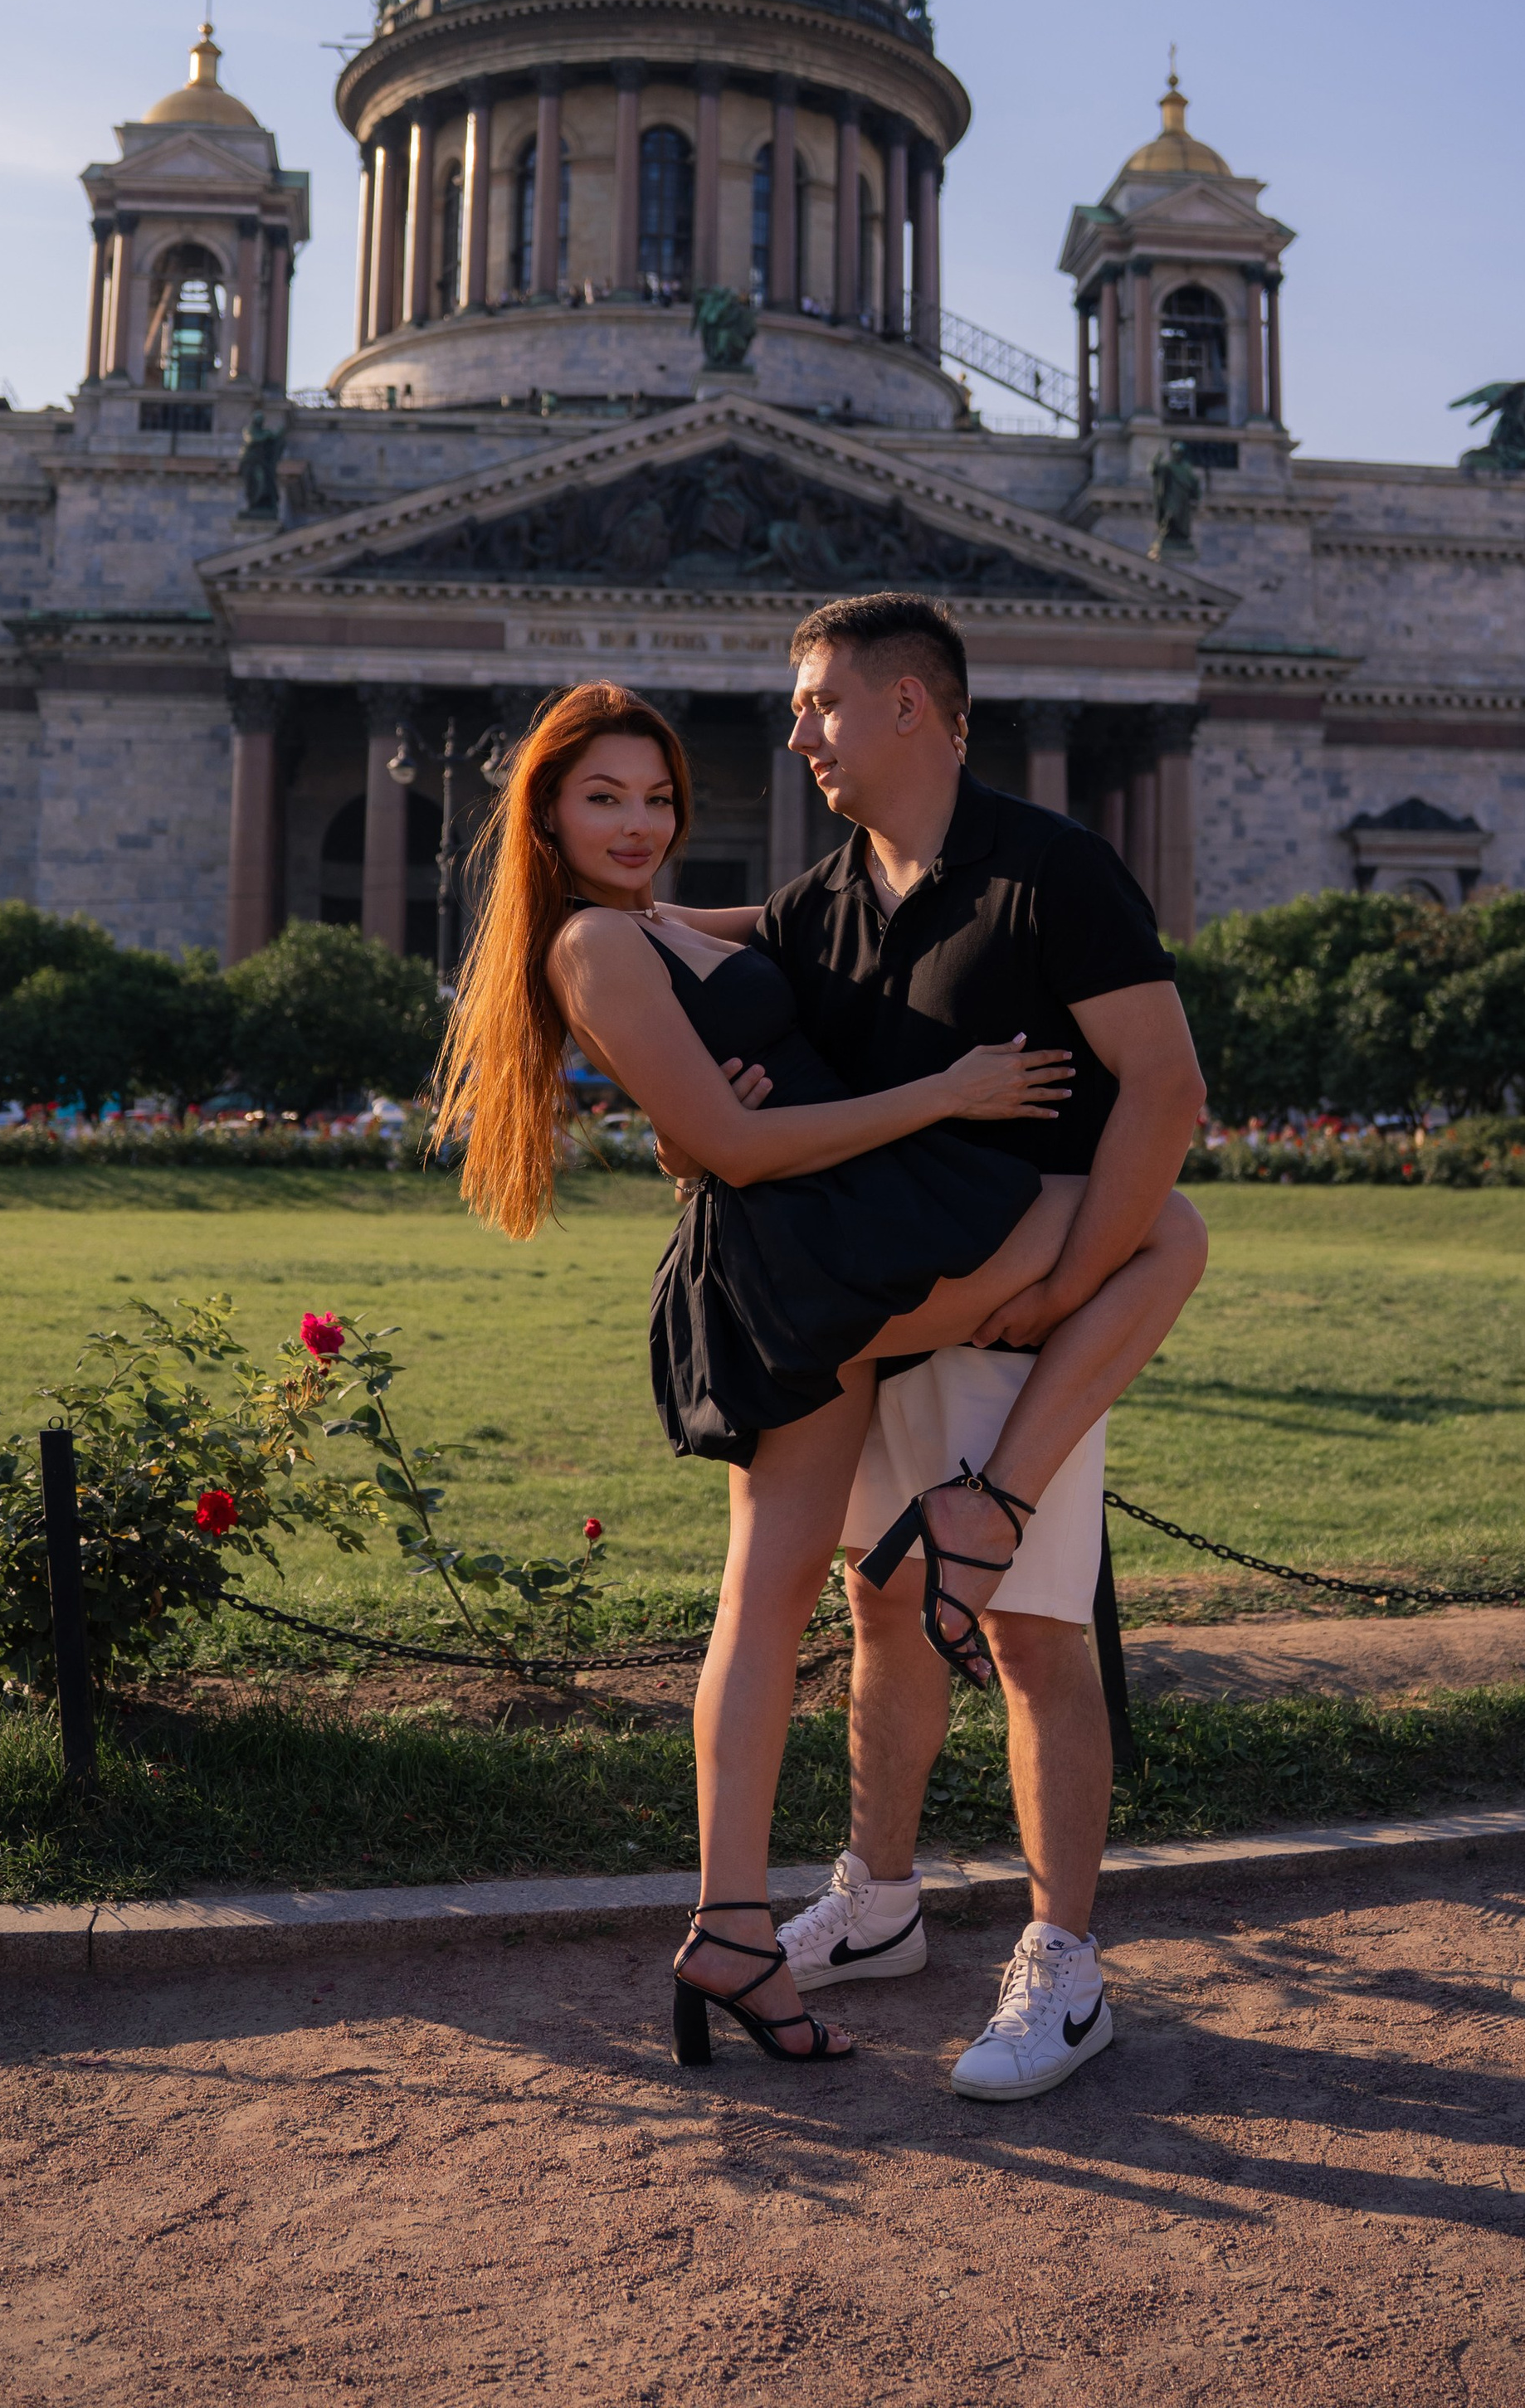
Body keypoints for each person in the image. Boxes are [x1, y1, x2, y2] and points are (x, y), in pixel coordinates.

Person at [436, 679, 1097, 2074]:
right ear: (546, 809)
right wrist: (955, 1090)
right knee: (1157, 1228)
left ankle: (734, 1932)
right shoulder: (589, 946)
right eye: (603, 796)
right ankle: (992, 1511)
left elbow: (830, 935)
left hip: (817, 1249)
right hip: (798, 1255)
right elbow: (727, 1150)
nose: (638, 821)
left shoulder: (663, 920)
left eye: (657, 795)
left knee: (772, 1596)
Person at [667, 595, 1207, 2102]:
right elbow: (700, 938)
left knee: (1032, 1639)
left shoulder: (1053, 871)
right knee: (879, 1612)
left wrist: (1061, 1289)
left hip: (1020, 1304)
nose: (800, 733)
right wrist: (583, 895)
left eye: (824, 703)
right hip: (878, 1318)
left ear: (915, 706)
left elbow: (1165, 1092)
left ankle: (1065, 1966)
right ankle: (883, 1900)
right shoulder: (824, 900)